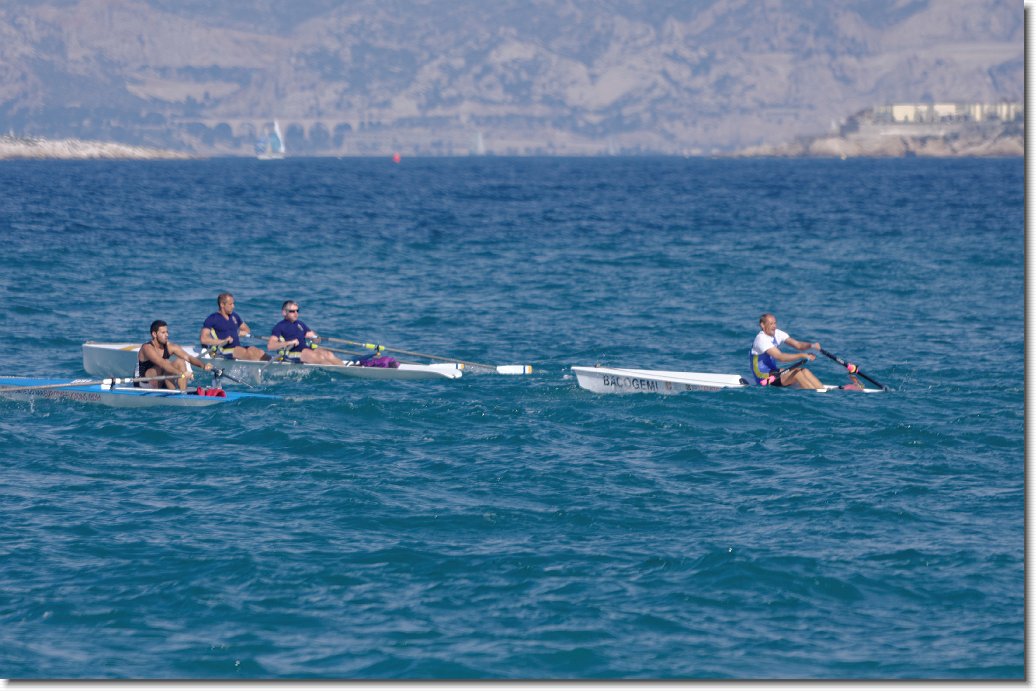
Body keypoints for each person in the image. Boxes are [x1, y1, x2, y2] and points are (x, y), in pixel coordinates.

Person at [750, 313, 824, 389]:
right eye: (771, 324)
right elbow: (780, 357)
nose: (774, 326)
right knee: (797, 374)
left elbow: (798, 345)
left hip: (773, 372)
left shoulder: (777, 333)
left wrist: (812, 345)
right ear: (762, 325)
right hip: (763, 377)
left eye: (775, 323)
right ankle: (812, 391)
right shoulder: (761, 339)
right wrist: (802, 355)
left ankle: (821, 390)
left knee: (804, 371)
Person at [138, 320, 214, 391]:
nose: (167, 335)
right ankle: (170, 392)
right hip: (146, 383)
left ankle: (182, 393)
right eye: (163, 332)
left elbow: (188, 357)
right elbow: (163, 364)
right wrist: (182, 374)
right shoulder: (147, 348)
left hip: (162, 380)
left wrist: (203, 365)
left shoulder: (170, 346)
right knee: (166, 363)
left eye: (167, 332)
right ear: (154, 334)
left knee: (180, 362)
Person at [267, 300, 345, 365]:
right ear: (284, 312)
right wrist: (290, 342)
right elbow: (271, 346)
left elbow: (313, 336)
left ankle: (343, 367)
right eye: (292, 311)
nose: (296, 313)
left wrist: (315, 338)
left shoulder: (300, 324)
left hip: (306, 350)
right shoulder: (279, 327)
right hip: (291, 354)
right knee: (318, 357)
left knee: (329, 354)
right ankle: (334, 369)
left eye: (297, 311)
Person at [199, 293, 269, 361]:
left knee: (258, 352)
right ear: (222, 305)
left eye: (233, 303)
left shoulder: (234, 316)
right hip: (223, 350)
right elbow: (203, 339)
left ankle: (273, 363)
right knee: (249, 354)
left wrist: (238, 333)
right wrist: (223, 341)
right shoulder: (212, 319)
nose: (233, 306)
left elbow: (246, 330)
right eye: (230, 304)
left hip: (237, 349)